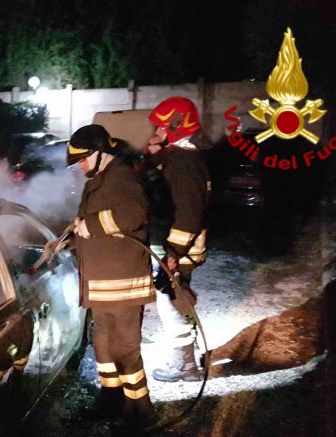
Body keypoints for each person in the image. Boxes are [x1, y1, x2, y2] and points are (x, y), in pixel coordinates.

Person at [66, 124, 157, 429]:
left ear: (100, 153)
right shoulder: (101, 179)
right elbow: (97, 225)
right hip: (103, 285)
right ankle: (111, 399)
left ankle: (140, 411)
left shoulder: (122, 177)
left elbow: (133, 214)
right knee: (103, 345)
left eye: (83, 159)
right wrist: (73, 236)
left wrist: (90, 225)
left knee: (125, 348)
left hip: (122, 285)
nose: (80, 166)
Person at [143, 97, 211, 382]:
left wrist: (172, 253)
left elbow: (187, 215)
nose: (156, 132)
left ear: (176, 126)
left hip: (177, 251)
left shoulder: (183, 163)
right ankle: (188, 358)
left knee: (170, 303)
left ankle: (185, 365)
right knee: (177, 300)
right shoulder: (180, 156)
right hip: (176, 249)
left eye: (161, 127)